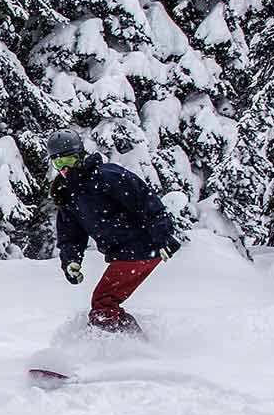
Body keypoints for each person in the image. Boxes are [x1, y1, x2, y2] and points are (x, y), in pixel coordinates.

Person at [47, 128, 180, 335]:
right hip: (123, 253)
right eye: (58, 163)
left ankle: (117, 350)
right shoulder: (67, 194)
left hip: (141, 247)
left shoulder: (107, 176)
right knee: (106, 303)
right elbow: (70, 235)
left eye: (69, 160)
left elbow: (146, 202)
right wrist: (71, 260)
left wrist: (163, 237)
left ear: (81, 156)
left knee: (103, 302)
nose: (64, 168)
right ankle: (134, 344)